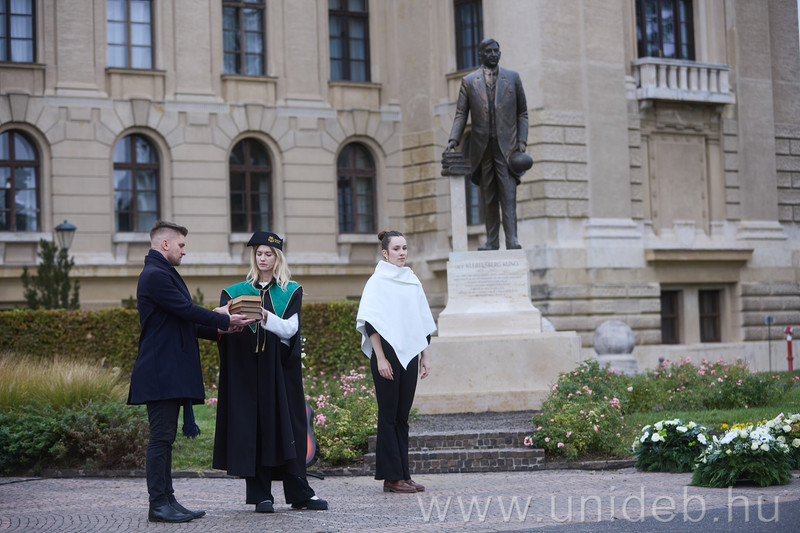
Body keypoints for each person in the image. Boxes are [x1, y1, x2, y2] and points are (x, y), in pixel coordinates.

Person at [128, 220, 254, 523]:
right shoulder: (155, 275)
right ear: (165, 244)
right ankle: (158, 504)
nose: (184, 251)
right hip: (160, 372)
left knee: (165, 438)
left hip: (167, 371)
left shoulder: (163, 273)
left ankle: (168, 500)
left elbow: (183, 322)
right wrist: (222, 317)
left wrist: (226, 328)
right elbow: (186, 312)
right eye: (181, 245)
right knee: (160, 439)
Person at [213, 231, 328, 513]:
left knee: (288, 428)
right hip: (247, 371)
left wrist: (264, 316)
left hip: (279, 371)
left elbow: (291, 330)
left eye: (269, 254)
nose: (263, 259)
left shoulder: (291, 290)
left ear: (278, 257)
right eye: (259, 254)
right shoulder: (235, 291)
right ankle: (260, 495)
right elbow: (222, 329)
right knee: (253, 429)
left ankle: (300, 493)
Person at [356, 230, 437, 493]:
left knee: (403, 417)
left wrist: (424, 355)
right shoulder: (377, 281)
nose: (402, 253)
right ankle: (391, 478)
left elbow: (421, 319)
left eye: (404, 248)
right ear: (385, 253)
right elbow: (370, 322)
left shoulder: (412, 279)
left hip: (410, 354)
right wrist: (379, 357)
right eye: (397, 249)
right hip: (387, 355)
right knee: (388, 416)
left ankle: (404, 474)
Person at [446, 38, 530, 251]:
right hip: (482, 148)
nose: (493, 54)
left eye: (496, 51)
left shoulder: (513, 78)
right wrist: (453, 140)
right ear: (480, 55)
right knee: (489, 196)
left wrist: (521, 142)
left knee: (508, 195)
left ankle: (512, 240)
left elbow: (523, 113)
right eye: (488, 51)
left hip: (507, 149)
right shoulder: (468, 81)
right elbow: (460, 115)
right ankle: (492, 240)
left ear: (499, 54)